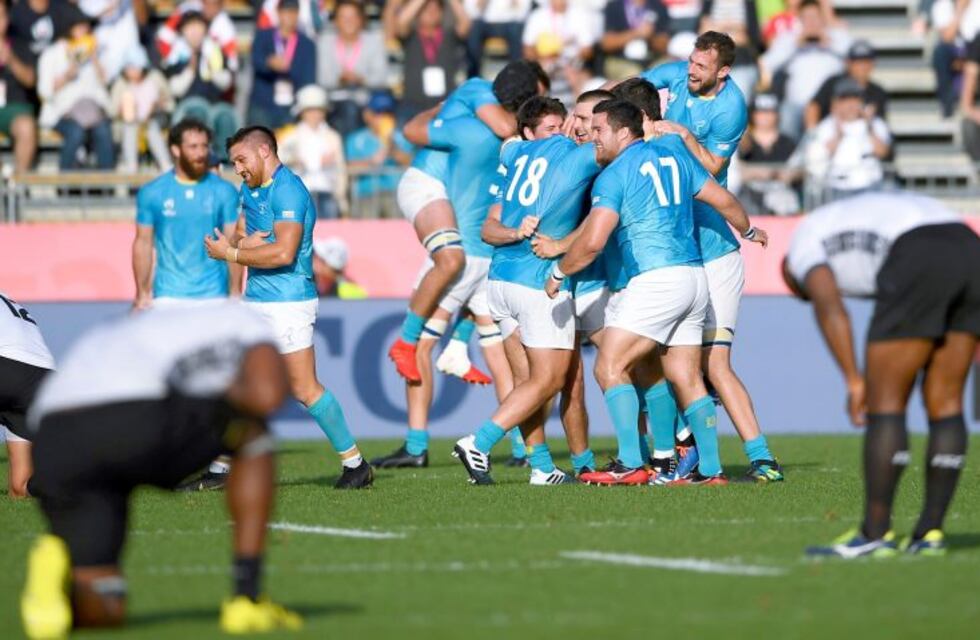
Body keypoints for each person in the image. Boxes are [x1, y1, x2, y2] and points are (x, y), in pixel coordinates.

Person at [20, 303, 302, 638]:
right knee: (254, 433)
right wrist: (228, 400)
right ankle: (247, 597)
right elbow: (267, 395)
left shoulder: (122, 327)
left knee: (105, 606)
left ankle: (56, 579)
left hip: (54, 436)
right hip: (135, 417)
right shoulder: (244, 320)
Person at [534, 100, 766, 487]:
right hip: (694, 278)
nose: (593, 137)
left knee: (609, 366)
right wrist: (749, 231)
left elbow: (593, 242)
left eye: (599, 130)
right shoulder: (674, 158)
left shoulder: (614, 174)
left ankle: (630, 462)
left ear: (624, 132)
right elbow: (724, 200)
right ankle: (711, 470)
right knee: (685, 375)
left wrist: (559, 271)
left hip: (656, 279)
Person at [782, 191, 979, 557]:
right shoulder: (851, 222)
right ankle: (929, 534)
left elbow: (830, 308)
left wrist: (854, 380)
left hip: (918, 251)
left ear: (789, 271)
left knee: (886, 403)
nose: (803, 295)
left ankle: (875, 534)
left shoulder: (801, 246)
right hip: (969, 246)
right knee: (947, 403)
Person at [371, 73, 534, 470]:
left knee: (422, 346)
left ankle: (416, 445)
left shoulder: (470, 129)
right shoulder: (528, 150)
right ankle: (522, 449)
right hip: (490, 254)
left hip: (465, 250)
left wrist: (445, 107)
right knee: (501, 355)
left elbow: (411, 131)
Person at [643, 31, 784, 482]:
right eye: (690, 62)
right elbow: (627, 90)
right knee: (672, 364)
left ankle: (762, 458)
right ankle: (680, 454)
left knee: (715, 364)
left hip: (715, 252)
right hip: (679, 255)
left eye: (701, 67)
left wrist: (682, 132)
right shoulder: (675, 77)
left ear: (723, 71)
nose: (691, 71)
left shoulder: (730, 107)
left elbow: (714, 171)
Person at [204, 126, 373, 489]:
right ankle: (220, 469)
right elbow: (241, 234)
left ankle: (356, 465)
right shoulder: (249, 188)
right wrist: (239, 243)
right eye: (234, 162)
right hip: (256, 298)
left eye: (241, 160)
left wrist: (232, 253)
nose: (238, 168)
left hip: (289, 301)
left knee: (304, 389)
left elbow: (283, 253)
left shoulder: (289, 190)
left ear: (264, 151)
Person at [453, 96, 601, 486]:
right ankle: (478, 442)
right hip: (538, 282)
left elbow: (508, 149)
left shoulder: (517, 155)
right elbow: (617, 147)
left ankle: (541, 466)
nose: (579, 128)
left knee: (528, 384)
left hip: (501, 281)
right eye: (571, 122)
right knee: (549, 381)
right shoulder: (575, 155)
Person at [386, 61, 540, 384]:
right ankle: (405, 341)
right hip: (426, 182)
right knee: (452, 259)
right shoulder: (478, 99)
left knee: (479, 273)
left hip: (456, 200)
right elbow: (412, 131)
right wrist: (437, 110)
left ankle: (457, 347)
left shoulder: (491, 130)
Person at [36, 5, 115, 171]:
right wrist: (66, 76)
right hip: (62, 113)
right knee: (76, 131)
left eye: (86, 26)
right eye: (79, 26)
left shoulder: (97, 51)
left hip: (93, 111)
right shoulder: (52, 54)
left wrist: (95, 60)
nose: (84, 30)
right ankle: (65, 181)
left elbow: (107, 84)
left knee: (103, 130)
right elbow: (44, 91)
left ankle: (107, 182)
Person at [759, 0, 850, 138]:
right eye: (806, 17)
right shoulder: (789, 38)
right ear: (799, 19)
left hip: (830, 104)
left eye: (815, 17)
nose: (811, 22)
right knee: (786, 115)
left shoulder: (836, 36)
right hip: (796, 104)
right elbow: (766, 63)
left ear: (822, 17)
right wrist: (795, 45)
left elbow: (855, 58)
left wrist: (829, 43)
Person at [163, 11, 237, 161]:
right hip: (187, 107)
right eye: (190, 27)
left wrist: (212, 69)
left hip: (215, 105)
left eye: (198, 26)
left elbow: (226, 83)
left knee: (225, 117)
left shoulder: (215, 51)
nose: (195, 32)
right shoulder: (176, 55)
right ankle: (197, 158)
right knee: (198, 111)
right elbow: (174, 90)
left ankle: (223, 161)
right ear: (182, 31)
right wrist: (190, 70)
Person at [0, 291, 53, 498]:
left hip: (6, 366)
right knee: (20, 486)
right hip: (42, 381)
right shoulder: (7, 299)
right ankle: (79, 481)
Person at [804, 77, 891, 203]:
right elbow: (818, 158)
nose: (850, 104)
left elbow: (882, 152)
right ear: (835, 103)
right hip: (837, 188)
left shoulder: (876, 124)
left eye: (855, 98)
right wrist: (838, 134)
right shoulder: (825, 126)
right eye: (844, 99)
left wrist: (869, 127)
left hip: (869, 185)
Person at [317, 0, 389, 135]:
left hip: (366, 102)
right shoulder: (325, 41)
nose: (348, 21)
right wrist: (340, 79)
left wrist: (361, 79)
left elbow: (381, 77)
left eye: (353, 17)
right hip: (333, 102)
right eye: (343, 17)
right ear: (336, 21)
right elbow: (322, 78)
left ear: (361, 20)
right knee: (347, 110)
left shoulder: (374, 40)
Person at [393, 0, 471, 121]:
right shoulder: (411, 37)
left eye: (436, 10)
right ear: (418, 13)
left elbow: (465, 22)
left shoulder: (449, 36)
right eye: (426, 10)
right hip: (413, 105)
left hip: (444, 105)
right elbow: (401, 21)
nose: (431, 13)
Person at [278, 85, 348, 219]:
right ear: (302, 112)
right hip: (299, 195)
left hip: (327, 193)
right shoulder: (291, 136)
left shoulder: (333, 137)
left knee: (328, 230)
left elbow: (340, 169)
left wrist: (341, 199)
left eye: (318, 110)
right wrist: (294, 160)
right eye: (310, 110)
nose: (315, 114)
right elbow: (278, 159)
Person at [344, 90, 414, 219]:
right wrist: (372, 161)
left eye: (387, 113)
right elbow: (349, 167)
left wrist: (393, 150)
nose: (383, 117)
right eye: (378, 113)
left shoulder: (402, 137)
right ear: (367, 115)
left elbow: (413, 164)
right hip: (367, 195)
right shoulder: (356, 139)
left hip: (396, 194)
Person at [248, 0, 316, 130]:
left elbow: (309, 79)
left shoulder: (307, 44)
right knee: (260, 134)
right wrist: (269, 63)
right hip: (264, 103)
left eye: (293, 12)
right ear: (278, 13)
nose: (289, 16)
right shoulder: (263, 36)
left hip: (293, 104)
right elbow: (256, 61)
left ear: (298, 14)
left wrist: (289, 69)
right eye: (286, 12)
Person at [110, 45, 173, 172]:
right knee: (130, 129)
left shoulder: (154, 79)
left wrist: (158, 105)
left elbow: (169, 102)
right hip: (128, 123)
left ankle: (165, 163)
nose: (131, 71)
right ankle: (131, 164)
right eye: (129, 68)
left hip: (153, 120)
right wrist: (123, 110)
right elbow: (112, 110)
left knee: (151, 129)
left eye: (134, 67)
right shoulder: (121, 84)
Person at [737, 92, 800, 215]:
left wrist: (785, 175)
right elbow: (734, 171)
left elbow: (799, 170)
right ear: (753, 115)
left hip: (782, 198)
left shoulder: (787, 143)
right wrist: (762, 173)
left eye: (769, 112)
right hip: (748, 198)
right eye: (761, 112)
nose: (765, 116)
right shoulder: (743, 143)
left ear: (777, 115)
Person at [0, 0, 44, 174]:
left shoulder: (20, 43)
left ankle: (18, 183)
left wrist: (10, 59)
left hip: (15, 107)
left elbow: (30, 80)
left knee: (26, 127)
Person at [805, 39, 887, 131]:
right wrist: (813, 132)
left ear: (872, 64)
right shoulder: (833, 83)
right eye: (857, 62)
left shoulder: (878, 92)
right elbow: (814, 106)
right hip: (832, 134)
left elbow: (880, 126)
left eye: (866, 62)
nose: (862, 66)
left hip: (863, 135)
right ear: (848, 63)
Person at [155, 0, 239, 75]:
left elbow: (232, 60)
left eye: (215, 4)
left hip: (208, 70)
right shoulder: (186, 9)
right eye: (207, 3)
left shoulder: (224, 23)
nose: (211, 8)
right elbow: (163, 38)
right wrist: (176, 61)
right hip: (180, 64)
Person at [599, 0, 671, 80]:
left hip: (652, 59)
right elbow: (606, 44)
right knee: (632, 77)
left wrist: (651, 36)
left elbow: (664, 46)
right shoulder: (614, 6)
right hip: (620, 59)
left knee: (662, 72)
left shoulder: (658, 6)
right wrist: (636, 33)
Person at [462, 0, 530, 77]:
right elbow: (472, 12)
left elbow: (522, 13)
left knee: (515, 30)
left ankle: (516, 75)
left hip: (510, 23)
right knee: (474, 29)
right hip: (485, 23)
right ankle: (473, 75)